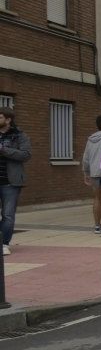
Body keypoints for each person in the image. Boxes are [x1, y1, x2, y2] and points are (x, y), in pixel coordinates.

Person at [0, 106, 32, 255]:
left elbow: (25, 155)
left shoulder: (20, 135)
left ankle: (4, 244)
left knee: (7, 214)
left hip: (10, 183)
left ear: (8, 120)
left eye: (0, 117)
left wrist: (4, 150)